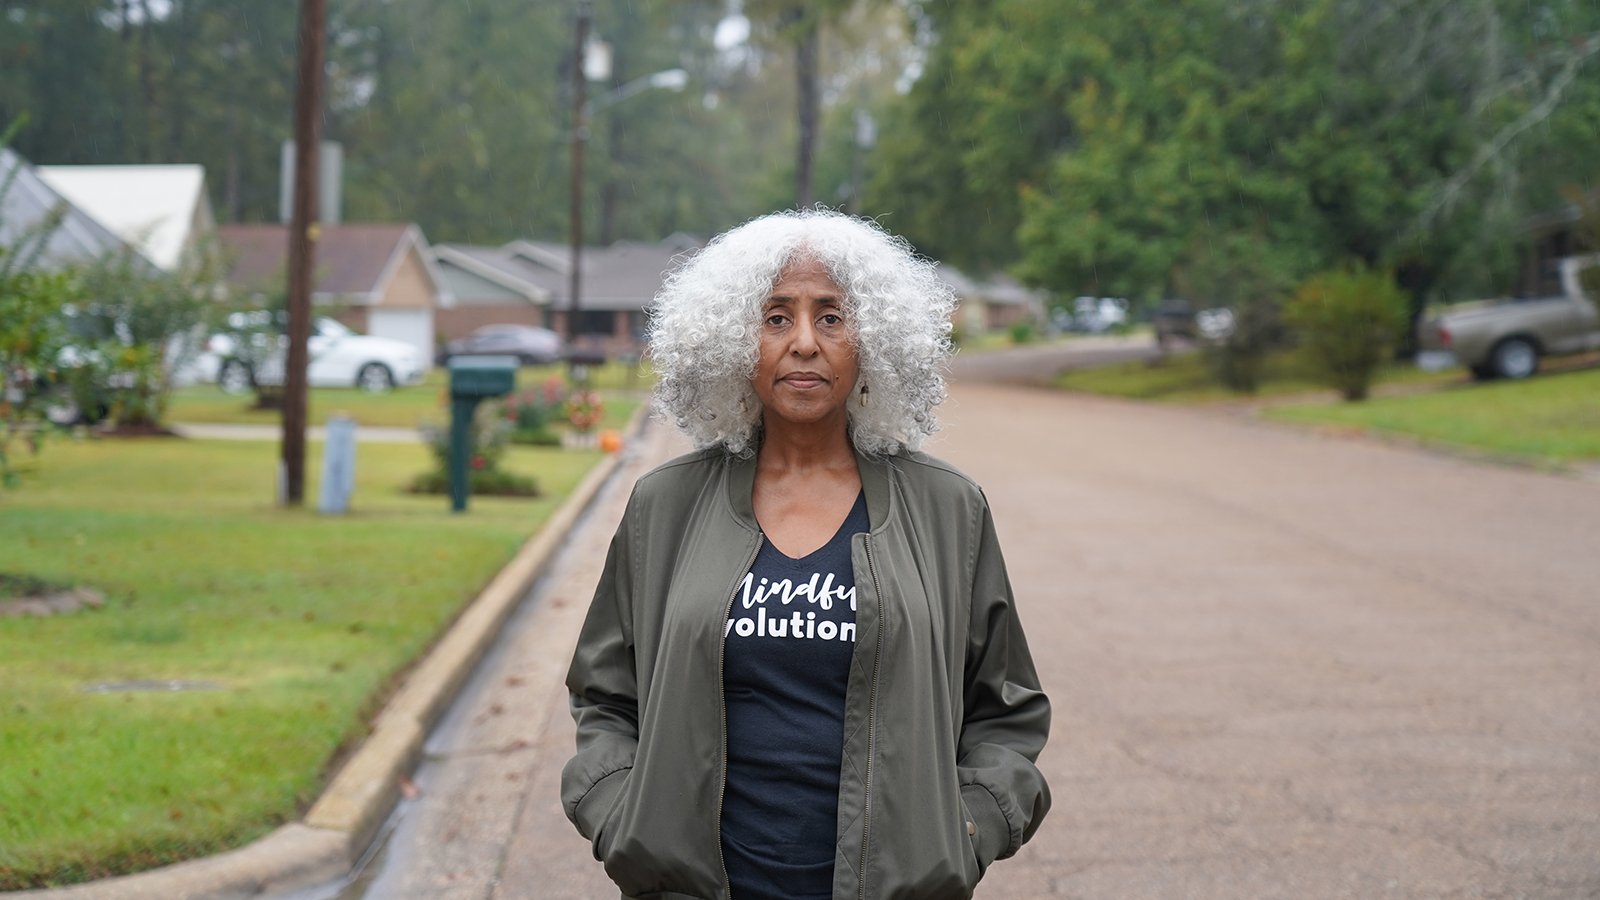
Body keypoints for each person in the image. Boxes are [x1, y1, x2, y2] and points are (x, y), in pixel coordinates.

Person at [561, 209, 1051, 900]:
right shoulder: (664, 507)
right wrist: (624, 818)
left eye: (831, 317)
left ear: (872, 339)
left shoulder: (948, 509)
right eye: (775, 317)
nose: (803, 344)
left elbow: (1006, 709)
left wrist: (965, 832)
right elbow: (606, 696)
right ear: (735, 340)